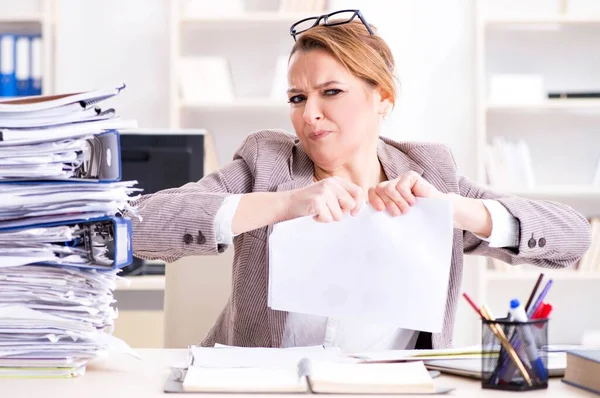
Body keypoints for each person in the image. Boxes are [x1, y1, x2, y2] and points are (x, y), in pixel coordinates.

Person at [128, 9, 591, 351]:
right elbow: (140, 225)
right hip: (266, 386)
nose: (309, 114)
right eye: (296, 97)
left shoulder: (429, 173)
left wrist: (451, 210)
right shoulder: (267, 162)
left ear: (382, 99)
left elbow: (572, 238)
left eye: (331, 92)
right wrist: (286, 204)